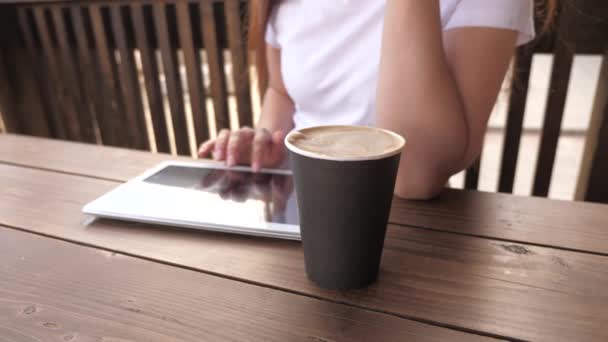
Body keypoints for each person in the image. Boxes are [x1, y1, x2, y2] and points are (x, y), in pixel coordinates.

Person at [199, 0, 555, 199]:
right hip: (298, 217)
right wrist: (263, 142)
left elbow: (413, 176)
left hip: (404, 239)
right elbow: (282, 92)